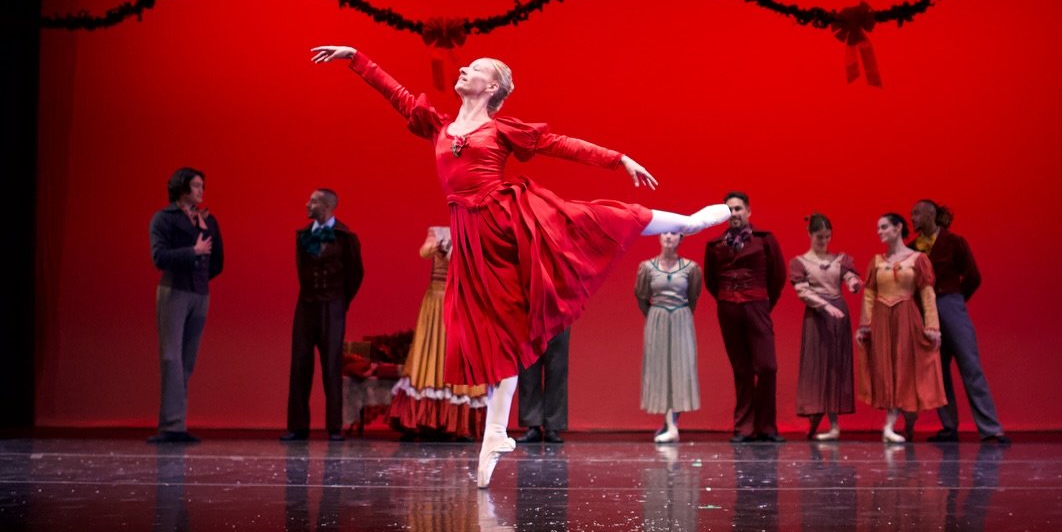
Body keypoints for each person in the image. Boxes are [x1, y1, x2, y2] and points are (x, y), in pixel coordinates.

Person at [310, 45, 728, 486]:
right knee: (497, 330)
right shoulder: (439, 125)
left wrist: (617, 158)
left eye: (475, 68)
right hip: (471, 239)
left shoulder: (500, 128)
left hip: (507, 224)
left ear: (491, 88)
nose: (463, 68)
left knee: (593, 217)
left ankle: (686, 221)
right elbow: (395, 95)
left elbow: (558, 144)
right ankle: (495, 432)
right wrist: (357, 58)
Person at [911, 199, 1008, 445]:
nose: (912, 218)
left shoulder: (954, 242)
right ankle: (949, 427)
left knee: (970, 366)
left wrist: (956, 299)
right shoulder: (913, 248)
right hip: (927, 311)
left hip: (950, 303)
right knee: (939, 371)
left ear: (931, 214)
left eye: (917, 213)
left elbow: (973, 276)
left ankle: (991, 429)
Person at [387, 226, 487, 441]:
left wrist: (453, 248)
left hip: (461, 303)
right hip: (436, 303)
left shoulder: (476, 234)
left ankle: (459, 423)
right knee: (431, 355)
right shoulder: (439, 231)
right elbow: (424, 252)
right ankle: (427, 420)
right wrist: (438, 244)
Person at [148, 167, 224, 444]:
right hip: (174, 291)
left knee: (187, 361)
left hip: (200, 293)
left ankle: (178, 422)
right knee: (171, 357)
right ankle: (171, 425)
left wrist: (200, 277)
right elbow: (159, 256)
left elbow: (218, 261)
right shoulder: (164, 219)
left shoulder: (208, 221)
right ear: (182, 189)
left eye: (202, 185)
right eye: (195, 186)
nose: (201, 191)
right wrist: (193, 252)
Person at [856, 212, 946, 443]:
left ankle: (908, 420)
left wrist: (932, 326)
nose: (880, 232)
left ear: (898, 228)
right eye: (878, 228)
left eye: (884, 227)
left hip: (907, 318)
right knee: (888, 368)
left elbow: (927, 294)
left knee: (906, 367)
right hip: (883, 319)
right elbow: (869, 295)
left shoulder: (917, 259)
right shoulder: (876, 261)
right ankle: (889, 425)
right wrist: (865, 325)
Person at [704, 192, 787, 443]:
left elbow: (778, 276)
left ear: (748, 211)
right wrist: (728, 299)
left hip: (757, 305)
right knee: (741, 369)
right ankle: (744, 427)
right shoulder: (715, 246)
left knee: (767, 367)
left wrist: (762, 303)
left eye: (739, 209)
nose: (735, 213)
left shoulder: (765, 240)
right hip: (729, 308)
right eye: (730, 210)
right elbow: (711, 281)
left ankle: (767, 427)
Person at [283, 187, 364, 442]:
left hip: (332, 306)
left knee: (331, 365)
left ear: (327, 206)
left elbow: (355, 274)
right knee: (299, 365)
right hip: (306, 306)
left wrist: (340, 302)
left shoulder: (344, 237)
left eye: (313, 201)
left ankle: (335, 427)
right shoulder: (303, 235)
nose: (307, 204)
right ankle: (298, 426)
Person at [788, 213, 861, 440]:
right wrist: (823, 306)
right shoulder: (800, 262)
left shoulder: (839, 259)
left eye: (828, 237)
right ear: (809, 234)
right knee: (816, 365)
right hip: (817, 315)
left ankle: (834, 425)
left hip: (838, 314)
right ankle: (814, 417)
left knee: (835, 366)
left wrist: (854, 283)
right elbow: (802, 290)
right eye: (820, 237)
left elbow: (849, 276)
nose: (824, 241)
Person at [636, 232, 702, 442]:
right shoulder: (647, 267)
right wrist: (657, 316)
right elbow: (642, 296)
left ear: (681, 239)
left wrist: (680, 314)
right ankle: (669, 424)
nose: (669, 237)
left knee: (680, 369)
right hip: (658, 318)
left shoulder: (691, 268)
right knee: (661, 369)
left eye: (674, 233)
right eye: (665, 232)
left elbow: (693, 296)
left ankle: (673, 424)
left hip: (681, 318)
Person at [517, 328, 570, 443]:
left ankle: (553, 426)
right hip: (529, 316)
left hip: (558, 315)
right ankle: (532, 424)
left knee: (557, 370)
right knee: (528, 370)